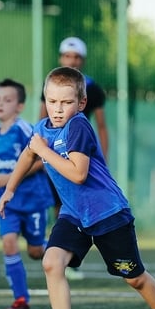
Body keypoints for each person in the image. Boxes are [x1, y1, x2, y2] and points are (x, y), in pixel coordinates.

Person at [0, 66, 155, 309]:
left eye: (66, 102)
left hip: (108, 214)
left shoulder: (78, 126)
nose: (58, 109)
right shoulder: (43, 127)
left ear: (80, 103)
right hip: (74, 215)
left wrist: (44, 152)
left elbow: (78, 173)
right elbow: (28, 153)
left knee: (134, 278)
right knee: (51, 262)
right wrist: (10, 189)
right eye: (52, 101)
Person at [39, 37, 108, 281]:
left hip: (78, 154)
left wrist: (103, 158)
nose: (72, 60)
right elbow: (41, 125)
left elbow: (101, 126)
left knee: (80, 203)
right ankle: (63, 253)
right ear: (61, 58)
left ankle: (72, 257)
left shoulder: (92, 88)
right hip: (55, 156)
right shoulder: (50, 85)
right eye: (67, 56)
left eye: (76, 57)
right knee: (60, 205)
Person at [0, 78, 54, 309]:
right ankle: (20, 300)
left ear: (19, 106)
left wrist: (7, 180)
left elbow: (41, 160)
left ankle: (64, 251)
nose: (0, 104)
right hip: (8, 202)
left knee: (36, 252)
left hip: (32, 200)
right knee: (8, 244)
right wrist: (1, 182)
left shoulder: (24, 129)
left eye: (7, 100)